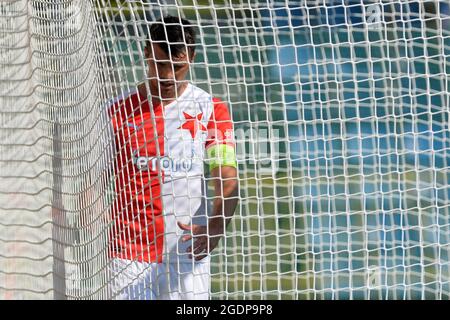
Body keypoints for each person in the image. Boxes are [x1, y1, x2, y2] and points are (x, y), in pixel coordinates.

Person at [107, 15, 239, 300]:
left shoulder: (211, 110)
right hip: (128, 253)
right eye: (159, 65)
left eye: (176, 67)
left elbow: (226, 179)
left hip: (188, 250)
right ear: (145, 53)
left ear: (191, 57)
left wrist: (215, 227)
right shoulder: (115, 111)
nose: (167, 76)